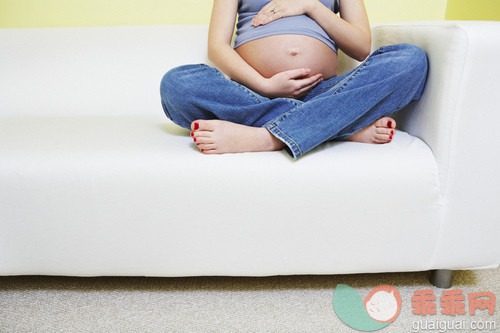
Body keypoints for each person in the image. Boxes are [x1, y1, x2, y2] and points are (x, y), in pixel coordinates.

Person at [160, 0, 428, 159]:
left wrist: (311, 6)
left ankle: (266, 138)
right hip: (251, 94)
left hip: (325, 91)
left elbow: (361, 47)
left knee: (410, 60)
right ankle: (339, 127)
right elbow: (217, 46)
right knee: (178, 83)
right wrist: (263, 84)